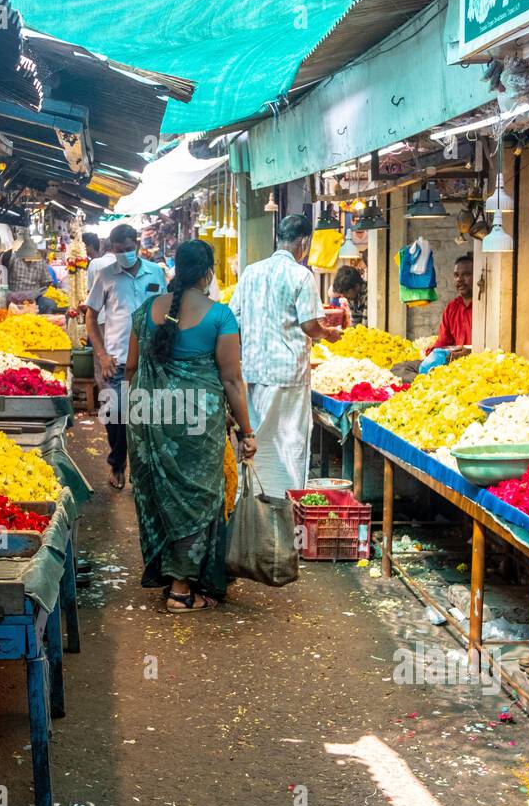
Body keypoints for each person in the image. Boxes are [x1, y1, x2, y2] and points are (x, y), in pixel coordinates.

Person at [125, 240, 255, 611]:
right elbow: (232, 381)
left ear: (175, 271)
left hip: (149, 421)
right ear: (207, 273)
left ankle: (173, 574)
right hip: (198, 427)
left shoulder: (145, 310)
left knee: (163, 496)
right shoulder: (221, 316)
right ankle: (181, 590)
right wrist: (247, 432)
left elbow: (130, 370)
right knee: (197, 499)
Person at [229, 214, 343, 496]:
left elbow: (233, 319)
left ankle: (253, 500)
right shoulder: (301, 275)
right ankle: (286, 503)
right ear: (303, 243)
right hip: (289, 375)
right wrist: (327, 333)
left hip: (254, 373)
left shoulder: (251, 272)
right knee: (289, 445)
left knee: (256, 437)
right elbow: (309, 325)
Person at [86, 223, 167, 490]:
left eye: (129, 249)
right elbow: (91, 316)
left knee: (148, 417)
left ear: (138, 246)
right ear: (112, 250)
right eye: (119, 251)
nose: (125, 255)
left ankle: (142, 470)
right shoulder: (106, 276)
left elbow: (166, 311)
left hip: (150, 358)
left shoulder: (156, 272)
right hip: (117, 359)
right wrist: (101, 354)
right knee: (115, 413)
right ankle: (117, 462)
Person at [435, 253, 474, 352]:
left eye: (466, 274)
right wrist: (431, 352)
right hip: (455, 363)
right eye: (456, 275)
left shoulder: (484, 307)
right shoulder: (452, 308)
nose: (459, 279)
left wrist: (468, 351)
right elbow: (443, 341)